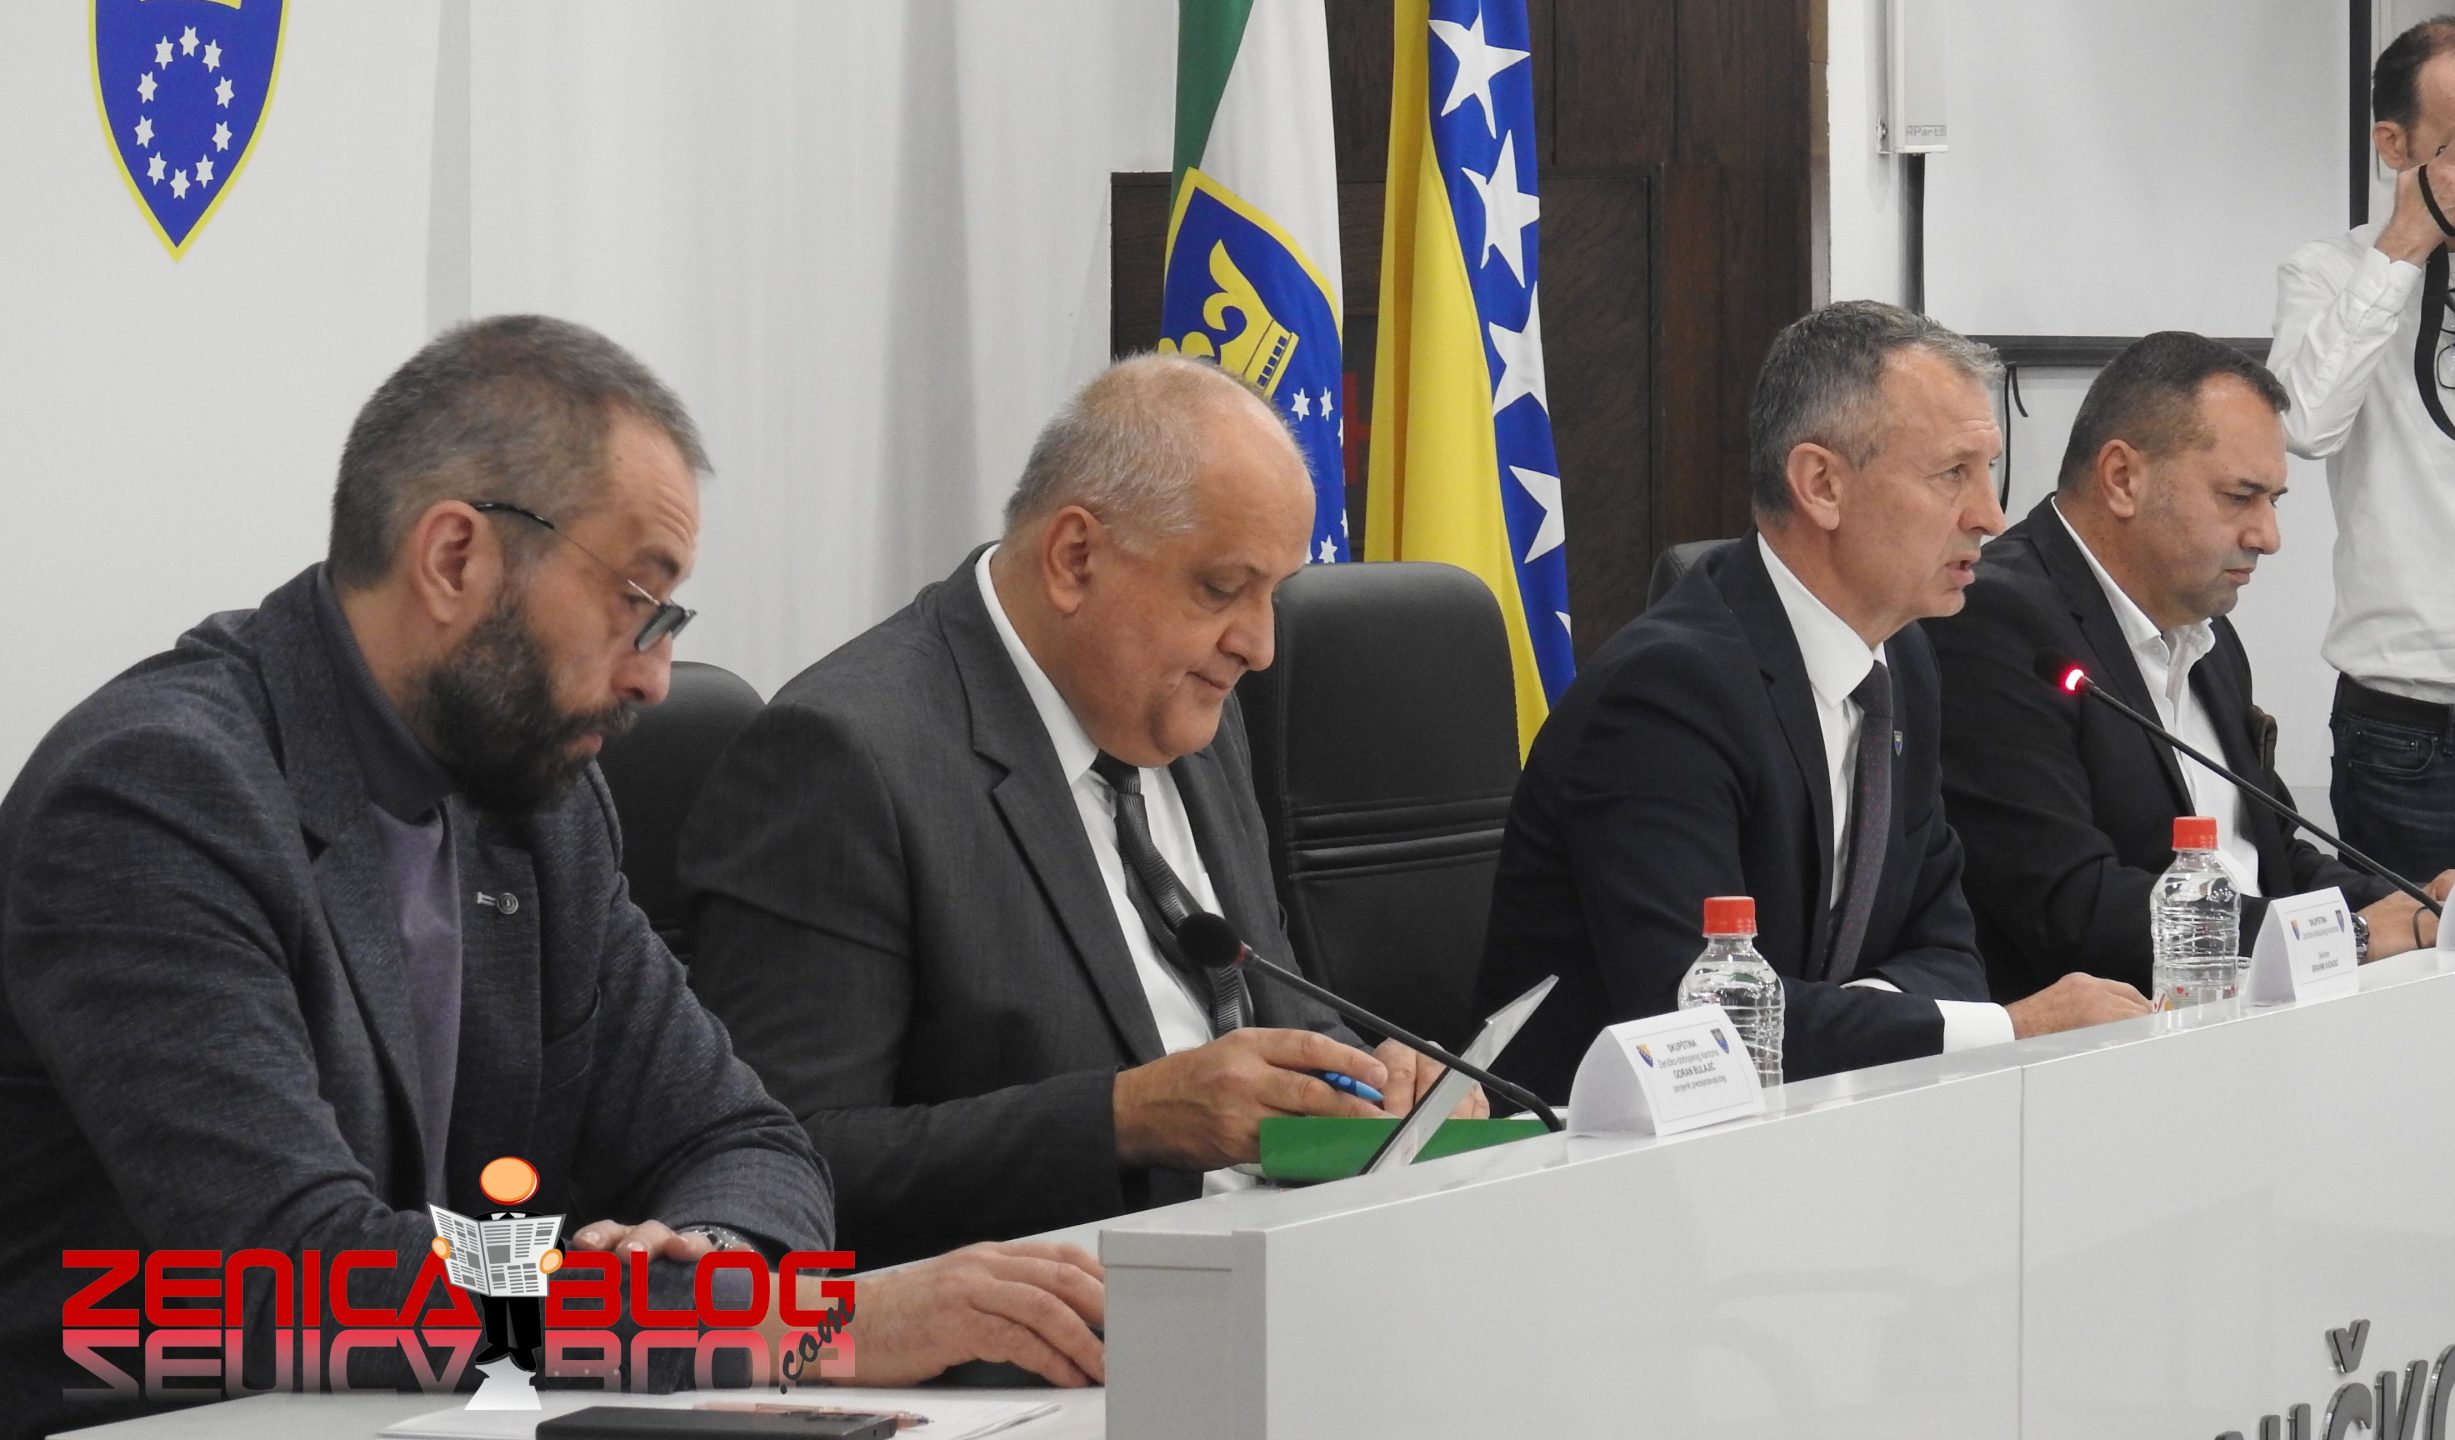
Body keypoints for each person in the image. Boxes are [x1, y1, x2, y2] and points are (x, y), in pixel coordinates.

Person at [0, 316, 1104, 1439]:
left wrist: (707, 1260)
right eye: (636, 602)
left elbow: (747, 1142)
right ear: (455, 559)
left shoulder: (537, 806)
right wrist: (778, 1321)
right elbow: (297, 1275)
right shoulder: (156, 795)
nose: (657, 677)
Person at [679, 354, 1472, 1267]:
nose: (1260, 646)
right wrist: (1126, 1117)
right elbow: (783, 1159)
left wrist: (1377, 1081)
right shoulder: (846, 757)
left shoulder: (1193, 706)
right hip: (1066, 1310)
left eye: (1273, 594)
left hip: (1291, 1264)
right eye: (1222, 589)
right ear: (1074, 558)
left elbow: (1277, 1011)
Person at [1476, 301, 2149, 1101]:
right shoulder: (1665, 696)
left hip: (1815, 1118)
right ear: (1822, 485)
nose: (1990, 516)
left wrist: (1847, 1022)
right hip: (1589, 1145)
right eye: (1952, 474)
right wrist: (2007, 1030)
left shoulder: (1904, 658)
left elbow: (1947, 947)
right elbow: (1701, 1022)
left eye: (1988, 471)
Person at [1927, 332, 2452, 1003]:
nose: (2268, 536)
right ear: (2123, 478)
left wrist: (2413, 907)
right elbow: (2068, 904)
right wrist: (2345, 935)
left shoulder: (2207, 633)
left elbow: (2270, 856)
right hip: (2111, 1041)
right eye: (2239, 496)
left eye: (2273, 500)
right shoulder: (1996, 624)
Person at [2271, 18, 2455, 887]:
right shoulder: (2329, 273)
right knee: (2426, 970)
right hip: (2412, 748)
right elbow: (2302, 426)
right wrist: (2404, 247)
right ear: (2394, 146)